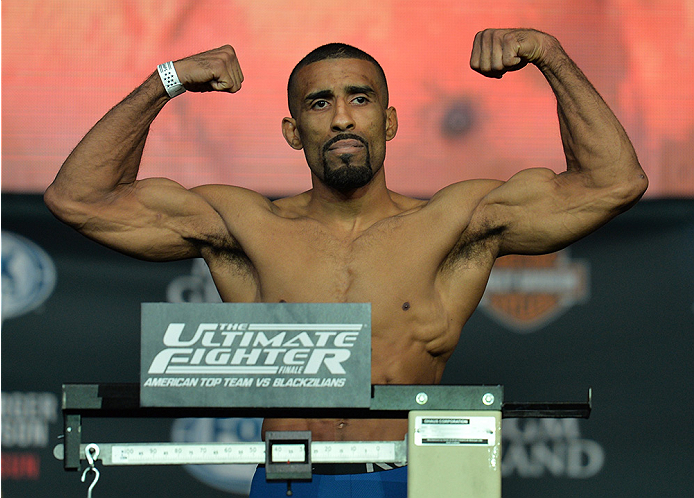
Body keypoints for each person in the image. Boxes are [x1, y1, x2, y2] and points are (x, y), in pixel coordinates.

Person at [45, 29, 647, 497]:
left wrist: (549, 54)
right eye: (319, 103)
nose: (340, 118)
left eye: (360, 99)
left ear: (387, 121)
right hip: (288, 477)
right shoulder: (246, 226)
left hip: (410, 475)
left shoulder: (453, 221)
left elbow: (612, 183)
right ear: (292, 130)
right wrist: (167, 79)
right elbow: (80, 199)